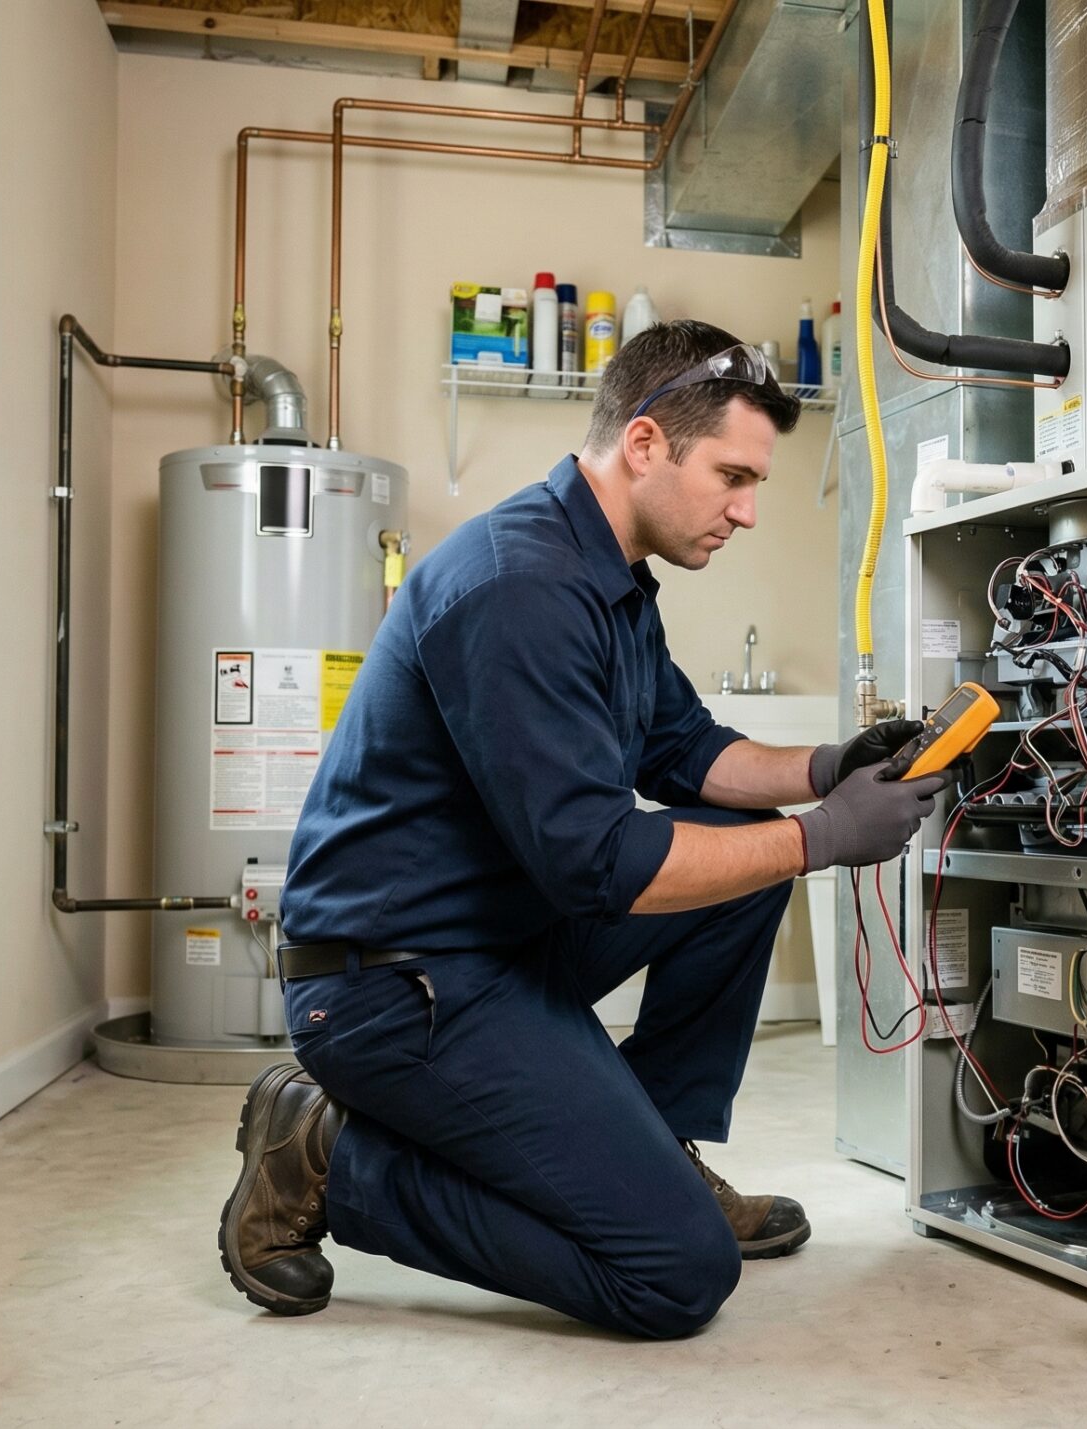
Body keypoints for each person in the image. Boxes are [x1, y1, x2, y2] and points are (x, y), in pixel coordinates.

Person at [219, 319, 943, 1339]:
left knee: (743, 873)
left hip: (500, 940)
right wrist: (823, 834)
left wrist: (831, 767)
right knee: (675, 1274)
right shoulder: (518, 587)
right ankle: (333, 1157)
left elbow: (685, 751)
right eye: (732, 476)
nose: (744, 512)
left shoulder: (608, 578)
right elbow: (599, 858)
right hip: (388, 985)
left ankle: (658, 1149)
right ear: (644, 443)